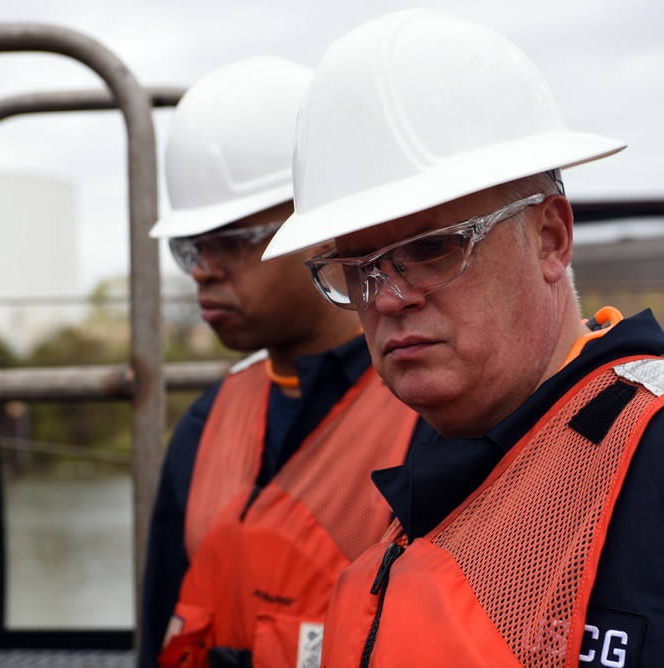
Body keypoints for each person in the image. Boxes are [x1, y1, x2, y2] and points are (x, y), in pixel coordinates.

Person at [263, 10, 664, 667]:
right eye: (357, 269)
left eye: (432, 248)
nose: (390, 298)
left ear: (550, 238)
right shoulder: (431, 492)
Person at [140, 56, 435, 668]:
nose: (201, 269)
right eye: (188, 247)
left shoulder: (434, 415)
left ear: (321, 230)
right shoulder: (203, 428)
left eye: (229, 241)